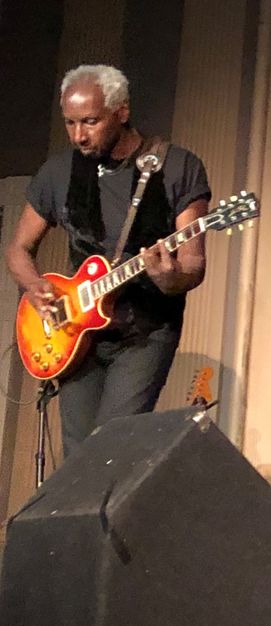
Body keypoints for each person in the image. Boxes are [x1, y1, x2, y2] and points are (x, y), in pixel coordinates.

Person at [5, 64, 210, 459]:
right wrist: (34, 287)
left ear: (122, 111)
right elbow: (18, 249)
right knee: (78, 454)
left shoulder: (177, 167)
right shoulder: (58, 172)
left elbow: (193, 264)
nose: (78, 135)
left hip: (144, 332)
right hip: (76, 330)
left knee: (114, 448)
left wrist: (169, 279)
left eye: (90, 121)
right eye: (70, 123)